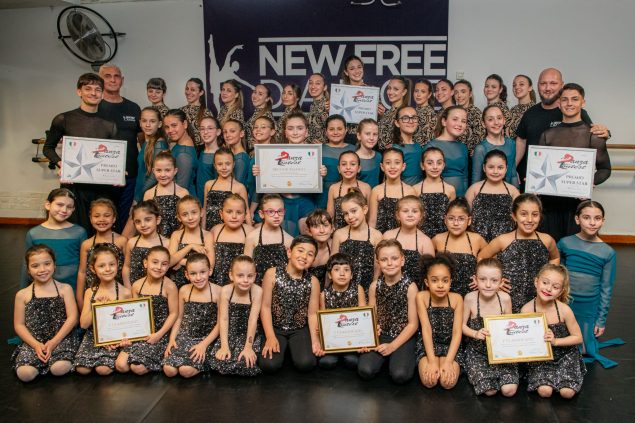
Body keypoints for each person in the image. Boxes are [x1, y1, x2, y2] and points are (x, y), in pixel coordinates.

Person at [42, 72, 118, 233]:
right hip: (74, 185)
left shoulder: (110, 124)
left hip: (101, 186)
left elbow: (111, 155)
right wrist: (62, 164)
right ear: (79, 91)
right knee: (73, 228)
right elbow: (48, 148)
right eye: (88, 88)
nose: (93, 93)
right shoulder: (63, 119)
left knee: (100, 229)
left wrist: (117, 171)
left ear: (102, 94)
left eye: (98, 89)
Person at [537, 83, 612, 241]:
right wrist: (535, 181)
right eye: (565, 99)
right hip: (550, 204)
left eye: (574, 99)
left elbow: (605, 169)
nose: (569, 103)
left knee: (576, 248)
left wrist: (589, 182)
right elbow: (540, 168)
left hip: (578, 205)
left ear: (582, 103)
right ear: (559, 103)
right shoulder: (547, 135)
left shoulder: (593, 135)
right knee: (551, 248)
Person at [515, 68, 609, 188]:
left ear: (562, 85)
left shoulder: (577, 113)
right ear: (538, 85)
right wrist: (513, 169)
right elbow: (521, 141)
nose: (548, 88)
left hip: (571, 185)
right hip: (534, 181)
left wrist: (606, 133)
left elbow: (592, 134)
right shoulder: (531, 114)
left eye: (553, 83)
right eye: (543, 83)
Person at [557, 201, 624, 368]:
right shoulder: (565, 243)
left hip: (589, 305)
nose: (592, 222)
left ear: (603, 221)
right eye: (586, 217)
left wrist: (601, 320)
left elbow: (606, 287)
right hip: (566, 301)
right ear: (577, 219)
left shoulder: (608, 252)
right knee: (562, 346)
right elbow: (558, 276)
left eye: (597, 218)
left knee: (585, 349)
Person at [478, 194, 559, 312]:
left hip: (538, 299)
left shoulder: (547, 240)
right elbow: (481, 257)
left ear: (540, 216)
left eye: (535, 214)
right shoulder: (502, 240)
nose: (529, 219)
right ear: (514, 216)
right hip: (508, 299)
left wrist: (550, 278)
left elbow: (555, 258)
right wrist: (494, 280)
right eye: (523, 214)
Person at [12, 245, 79, 382]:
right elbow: (19, 325)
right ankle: (39, 363)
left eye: (47, 264)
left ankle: (56, 362)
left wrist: (54, 342)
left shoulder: (64, 289)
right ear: (28, 269)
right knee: (25, 374)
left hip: (61, 339)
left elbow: (73, 318)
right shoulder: (22, 294)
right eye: (35, 266)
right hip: (34, 341)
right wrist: (35, 344)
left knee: (58, 369)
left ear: (54, 265)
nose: (42, 269)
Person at [258, 235, 323, 373]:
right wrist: (270, 336)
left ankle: (294, 347)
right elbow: (265, 307)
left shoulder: (313, 281)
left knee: (307, 364)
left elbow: (312, 314)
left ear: (313, 260)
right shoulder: (272, 274)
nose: (304, 256)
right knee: (269, 365)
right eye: (300, 250)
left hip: (299, 328)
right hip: (275, 327)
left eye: (310, 254)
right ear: (289, 252)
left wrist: (315, 340)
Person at [358, 240, 418, 384]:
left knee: (400, 375)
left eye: (394, 258)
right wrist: (367, 337)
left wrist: (392, 346)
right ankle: (385, 359)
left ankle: (397, 358)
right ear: (378, 263)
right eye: (384, 259)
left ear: (402, 260)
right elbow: (371, 318)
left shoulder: (411, 287)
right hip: (381, 334)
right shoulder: (374, 286)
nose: (390, 263)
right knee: (365, 370)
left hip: (403, 336)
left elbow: (413, 324)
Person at [521, 264, 586, 399]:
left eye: (555, 287)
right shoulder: (526, 310)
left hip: (566, 356)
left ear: (561, 291)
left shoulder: (564, 310)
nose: (548, 289)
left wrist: (556, 341)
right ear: (536, 282)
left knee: (567, 393)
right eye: (545, 283)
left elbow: (578, 337)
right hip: (541, 358)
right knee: (545, 391)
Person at [462, 258, 517, 396]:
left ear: (501, 282)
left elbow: (510, 326)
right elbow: (461, 326)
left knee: (509, 390)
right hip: (477, 352)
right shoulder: (470, 298)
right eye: (482, 279)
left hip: (501, 352)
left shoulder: (505, 299)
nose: (488, 285)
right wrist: (475, 333)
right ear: (475, 280)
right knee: (489, 391)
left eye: (494, 280)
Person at [74, 245, 132, 375]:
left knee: (103, 369)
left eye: (112, 264)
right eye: (101, 266)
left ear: (118, 265)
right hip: (94, 336)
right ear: (92, 269)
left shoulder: (126, 293)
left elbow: (127, 324)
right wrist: (97, 307)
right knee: (82, 369)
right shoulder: (90, 292)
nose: (107, 269)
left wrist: (115, 339)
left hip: (114, 338)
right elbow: (84, 324)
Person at [97, 64, 141, 230]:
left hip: (129, 175)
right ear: (100, 80)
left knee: (124, 219)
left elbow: (143, 139)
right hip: (101, 175)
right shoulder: (95, 107)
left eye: (116, 76)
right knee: (102, 218)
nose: (113, 80)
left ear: (122, 80)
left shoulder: (133, 108)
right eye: (107, 76)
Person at [123, 246, 179, 374]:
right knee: (121, 365)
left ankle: (155, 361)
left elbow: (174, 313)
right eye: (155, 262)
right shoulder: (137, 285)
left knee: (137, 368)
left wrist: (158, 334)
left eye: (164, 264)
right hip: (141, 332)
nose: (159, 267)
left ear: (168, 266)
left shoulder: (170, 287)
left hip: (161, 333)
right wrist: (129, 335)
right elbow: (134, 314)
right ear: (145, 263)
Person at [163, 253, 221, 378]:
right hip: (185, 336)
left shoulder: (218, 292)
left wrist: (204, 345)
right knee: (169, 370)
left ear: (210, 271)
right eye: (193, 273)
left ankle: (206, 363)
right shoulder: (184, 290)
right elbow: (179, 317)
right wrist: (172, 339)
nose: (198, 277)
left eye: (202, 272)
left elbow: (220, 323)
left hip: (206, 338)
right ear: (187, 275)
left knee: (186, 371)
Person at [21, 188, 86, 290]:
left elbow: (85, 266)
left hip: (73, 287)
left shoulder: (79, 232)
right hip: (42, 288)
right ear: (48, 205)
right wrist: (23, 290)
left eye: (69, 207)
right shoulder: (34, 233)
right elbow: (26, 265)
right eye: (59, 205)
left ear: (73, 209)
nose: (64, 210)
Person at [210, 255, 263, 376]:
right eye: (240, 275)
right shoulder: (225, 290)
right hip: (229, 333)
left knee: (246, 364)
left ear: (255, 276)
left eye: (250, 276)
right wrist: (224, 345)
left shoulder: (257, 291)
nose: (245, 280)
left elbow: (253, 320)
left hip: (248, 334)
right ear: (231, 275)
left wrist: (248, 347)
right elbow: (223, 319)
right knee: (220, 362)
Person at [416, 253, 463, 389]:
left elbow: (457, 332)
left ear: (450, 282)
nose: (440, 285)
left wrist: (448, 361)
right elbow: (426, 329)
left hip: (450, 346)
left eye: (445, 281)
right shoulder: (421, 297)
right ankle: (434, 361)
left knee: (447, 383)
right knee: (429, 382)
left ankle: (445, 362)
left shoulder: (457, 299)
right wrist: (431, 361)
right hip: (429, 345)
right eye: (435, 280)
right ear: (427, 282)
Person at [76, 199, 126, 309]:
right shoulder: (87, 244)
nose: (102, 219)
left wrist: (128, 292)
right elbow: (82, 272)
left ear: (114, 218)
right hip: (93, 293)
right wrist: (80, 298)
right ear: (90, 219)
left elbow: (127, 269)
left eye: (107, 216)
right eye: (97, 216)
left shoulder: (122, 241)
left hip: (117, 293)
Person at [318, 253, 366, 370]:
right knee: (326, 362)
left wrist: (364, 341)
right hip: (333, 339)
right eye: (336, 269)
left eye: (346, 270)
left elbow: (363, 317)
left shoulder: (358, 289)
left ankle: (346, 354)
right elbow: (324, 321)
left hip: (352, 338)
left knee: (353, 361)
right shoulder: (324, 295)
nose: (342, 273)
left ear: (351, 275)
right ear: (330, 275)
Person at [432, 198, 487, 297]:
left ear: (469, 221)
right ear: (445, 219)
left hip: (471, 294)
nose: (456, 223)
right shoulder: (438, 239)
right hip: (444, 294)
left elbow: (492, 262)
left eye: (461, 219)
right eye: (451, 218)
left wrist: (482, 278)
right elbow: (429, 267)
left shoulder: (476, 239)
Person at [332, 189, 383, 293]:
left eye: (354, 211)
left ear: (365, 209)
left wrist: (374, 289)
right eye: (346, 213)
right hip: (342, 289)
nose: (350, 217)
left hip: (368, 288)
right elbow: (332, 264)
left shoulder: (376, 235)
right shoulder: (339, 234)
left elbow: (377, 267)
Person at [466, 150, 520, 242]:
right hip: (478, 241)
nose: (495, 171)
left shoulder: (513, 191)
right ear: (484, 168)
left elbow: (519, 219)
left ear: (506, 169)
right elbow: (465, 217)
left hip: (506, 243)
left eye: (500, 168)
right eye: (491, 167)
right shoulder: (474, 189)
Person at [383, 196, 434, 286]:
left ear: (421, 216)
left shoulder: (425, 241)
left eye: (414, 211)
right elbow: (380, 263)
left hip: (416, 289)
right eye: (405, 211)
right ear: (398, 215)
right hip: (388, 286)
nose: (410, 215)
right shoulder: (388, 236)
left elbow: (430, 272)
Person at [243, 194, 292, 285]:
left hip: (280, 286)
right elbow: (246, 267)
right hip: (257, 286)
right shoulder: (252, 237)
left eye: (280, 211)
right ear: (261, 214)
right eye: (271, 212)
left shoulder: (289, 240)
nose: (276, 216)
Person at [168, 196, 215, 289]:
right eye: (185, 214)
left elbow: (210, 263)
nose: (190, 218)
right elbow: (169, 262)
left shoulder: (207, 235)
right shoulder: (176, 235)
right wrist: (190, 246)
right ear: (179, 217)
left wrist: (180, 261)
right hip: (178, 283)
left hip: (200, 282)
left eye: (194, 212)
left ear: (201, 212)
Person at [423, 106, 469, 197]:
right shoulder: (431, 146)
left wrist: (465, 198)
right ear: (444, 121)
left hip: (460, 198)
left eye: (463, 121)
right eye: (455, 119)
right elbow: (426, 178)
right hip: (439, 197)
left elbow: (465, 177)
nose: (459, 124)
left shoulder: (463, 147)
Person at [368, 148, 416, 233]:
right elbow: (372, 221)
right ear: (382, 166)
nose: (392, 166)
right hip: (381, 237)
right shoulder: (376, 191)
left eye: (397, 163)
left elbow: (413, 220)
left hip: (403, 236)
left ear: (403, 166)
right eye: (388, 163)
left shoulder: (410, 191)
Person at [123, 200, 170, 286]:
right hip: (134, 289)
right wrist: (128, 288)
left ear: (157, 220)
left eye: (147, 220)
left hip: (158, 289)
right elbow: (126, 267)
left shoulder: (167, 243)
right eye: (138, 221)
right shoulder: (132, 242)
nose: (143, 225)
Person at [143, 151, 189, 238]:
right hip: (156, 239)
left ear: (175, 171)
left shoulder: (183, 193)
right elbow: (146, 219)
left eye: (167, 170)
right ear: (153, 171)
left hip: (178, 238)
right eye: (159, 170)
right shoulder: (148, 194)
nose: (163, 174)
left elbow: (186, 219)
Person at [412, 147, 456, 239]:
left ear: (443, 165)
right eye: (430, 163)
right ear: (422, 165)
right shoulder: (415, 189)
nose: (435, 167)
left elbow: (452, 216)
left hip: (444, 236)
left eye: (439, 163)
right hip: (421, 237)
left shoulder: (450, 189)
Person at [203, 147, 250, 230]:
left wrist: (251, 233)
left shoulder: (239, 187)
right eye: (220, 164)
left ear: (233, 164)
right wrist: (202, 232)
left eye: (228, 164)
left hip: (231, 230)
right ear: (215, 165)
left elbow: (247, 213)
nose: (224, 167)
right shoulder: (208, 185)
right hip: (210, 231)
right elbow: (204, 211)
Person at [471, 105, 519, 187]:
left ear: (504, 120)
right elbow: (476, 180)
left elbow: (513, 175)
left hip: (508, 192)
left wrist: (517, 192)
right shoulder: (481, 149)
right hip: (487, 192)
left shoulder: (511, 144)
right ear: (483, 124)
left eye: (499, 118)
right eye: (490, 119)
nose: (496, 122)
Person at [210, 195, 253, 286]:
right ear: (221, 214)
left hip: (242, 282)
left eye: (239, 212)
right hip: (217, 280)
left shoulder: (250, 232)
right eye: (229, 212)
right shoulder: (215, 230)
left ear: (245, 215)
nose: (234, 216)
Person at [318, 115, 356, 209]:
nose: (335, 132)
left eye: (339, 129)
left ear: (346, 130)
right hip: (323, 196)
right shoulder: (318, 150)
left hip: (348, 194)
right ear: (325, 131)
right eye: (331, 129)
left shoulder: (355, 150)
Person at [134, 107, 169, 206]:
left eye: (152, 121)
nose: (148, 125)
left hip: (148, 196)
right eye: (144, 121)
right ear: (140, 123)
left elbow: (154, 176)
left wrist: (137, 198)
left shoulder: (159, 145)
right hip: (140, 191)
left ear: (159, 124)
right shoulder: (146, 142)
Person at [327, 151, 371, 230]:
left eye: (352, 164)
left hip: (361, 232)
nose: (348, 167)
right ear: (339, 169)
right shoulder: (333, 188)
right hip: (338, 231)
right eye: (344, 164)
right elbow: (330, 216)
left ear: (359, 168)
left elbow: (369, 216)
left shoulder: (366, 188)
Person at [164, 109, 198, 195]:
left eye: (174, 125)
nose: (170, 130)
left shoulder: (184, 154)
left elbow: (181, 188)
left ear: (185, 124)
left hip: (184, 200)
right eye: (167, 127)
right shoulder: (180, 144)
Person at [393, 106, 424, 185]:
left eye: (414, 118)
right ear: (397, 123)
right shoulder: (395, 149)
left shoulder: (418, 147)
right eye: (405, 118)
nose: (411, 121)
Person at [340, 55, 367, 143]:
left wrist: (380, 114)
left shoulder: (372, 91)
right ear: (346, 72)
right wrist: (330, 109)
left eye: (359, 67)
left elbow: (377, 119)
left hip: (367, 135)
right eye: (352, 68)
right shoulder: (340, 92)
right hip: (347, 136)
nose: (357, 71)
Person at [195, 116, 221, 205]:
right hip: (197, 200)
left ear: (218, 132)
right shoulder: (198, 151)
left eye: (210, 128)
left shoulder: (222, 155)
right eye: (202, 129)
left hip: (212, 203)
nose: (205, 132)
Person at [453, 79, 484, 155]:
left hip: (469, 156)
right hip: (453, 153)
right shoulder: (452, 112)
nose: (459, 95)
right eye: (456, 92)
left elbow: (480, 140)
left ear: (470, 94)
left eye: (463, 92)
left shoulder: (476, 113)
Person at [378, 76, 410, 150]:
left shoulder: (406, 112)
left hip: (396, 154)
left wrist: (395, 147)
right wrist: (382, 116)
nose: (390, 92)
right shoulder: (387, 112)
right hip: (382, 154)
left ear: (404, 92)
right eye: (389, 88)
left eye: (395, 89)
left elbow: (410, 138)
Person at [305, 210, 334, 290]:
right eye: (316, 226)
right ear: (309, 231)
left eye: (325, 225)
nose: (322, 230)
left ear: (332, 228)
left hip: (327, 291)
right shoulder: (303, 248)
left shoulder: (335, 247)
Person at [180, 77, 214, 147]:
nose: (188, 92)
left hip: (200, 150)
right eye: (187, 89)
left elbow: (211, 137)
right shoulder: (180, 111)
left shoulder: (206, 113)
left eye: (192, 90)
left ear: (201, 92)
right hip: (182, 149)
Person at [245, 84, 274, 150]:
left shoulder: (266, 115)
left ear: (267, 99)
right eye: (255, 92)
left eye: (260, 94)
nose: (255, 96)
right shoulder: (258, 113)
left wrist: (258, 146)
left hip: (258, 152)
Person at [355, 118, 382, 188]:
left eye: (375, 134)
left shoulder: (379, 156)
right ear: (359, 136)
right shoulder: (353, 158)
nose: (371, 138)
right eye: (367, 134)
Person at [507, 74, 536, 140]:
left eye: (521, 84)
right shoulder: (512, 110)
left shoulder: (535, 110)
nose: (516, 87)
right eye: (514, 85)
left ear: (530, 88)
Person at [412, 79, 437, 145]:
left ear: (429, 95)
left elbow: (427, 142)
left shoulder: (430, 114)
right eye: (416, 91)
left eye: (423, 92)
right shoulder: (413, 111)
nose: (418, 94)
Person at [307, 73, 329, 144]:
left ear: (324, 87)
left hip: (324, 149)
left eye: (317, 83)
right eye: (311, 83)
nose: (313, 86)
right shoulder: (312, 106)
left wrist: (324, 146)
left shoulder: (328, 105)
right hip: (312, 149)